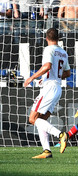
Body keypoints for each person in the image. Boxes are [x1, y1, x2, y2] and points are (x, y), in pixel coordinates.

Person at [24, 28, 70, 158]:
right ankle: (47, 151)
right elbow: (67, 73)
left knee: (32, 119)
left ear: (46, 38)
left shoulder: (48, 50)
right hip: (57, 88)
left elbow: (47, 66)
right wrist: (46, 78)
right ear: (58, 38)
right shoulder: (63, 52)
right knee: (41, 121)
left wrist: (32, 78)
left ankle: (61, 135)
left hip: (49, 88)